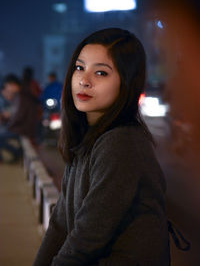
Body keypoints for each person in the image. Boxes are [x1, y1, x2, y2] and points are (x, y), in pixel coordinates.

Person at [34, 28, 170, 265]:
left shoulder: (121, 142)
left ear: (126, 83)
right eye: (79, 68)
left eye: (100, 73)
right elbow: (60, 225)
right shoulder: (87, 138)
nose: (84, 80)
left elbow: (87, 237)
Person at [0, 74, 41, 161]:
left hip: (24, 130)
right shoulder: (22, 95)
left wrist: (8, 126)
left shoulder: (22, 97)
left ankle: (17, 154)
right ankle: (16, 154)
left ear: (13, 85)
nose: (7, 89)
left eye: (7, 86)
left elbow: (19, 116)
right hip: (24, 129)